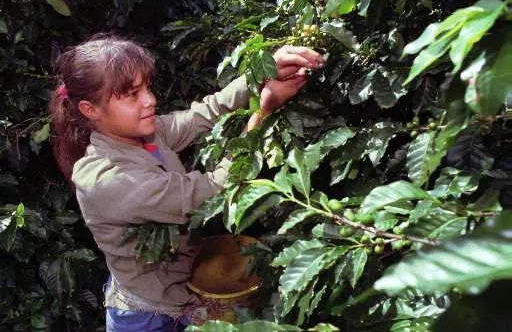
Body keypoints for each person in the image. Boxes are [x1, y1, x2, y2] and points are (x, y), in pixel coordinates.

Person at [49, 34, 323, 331]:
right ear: (91, 110)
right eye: (131, 94)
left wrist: (263, 70)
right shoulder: (108, 180)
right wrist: (262, 111)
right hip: (148, 319)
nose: (150, 100)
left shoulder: (144, 138)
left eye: (147, 87)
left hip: (179, 292)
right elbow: (214, 190)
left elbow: (203, 114)